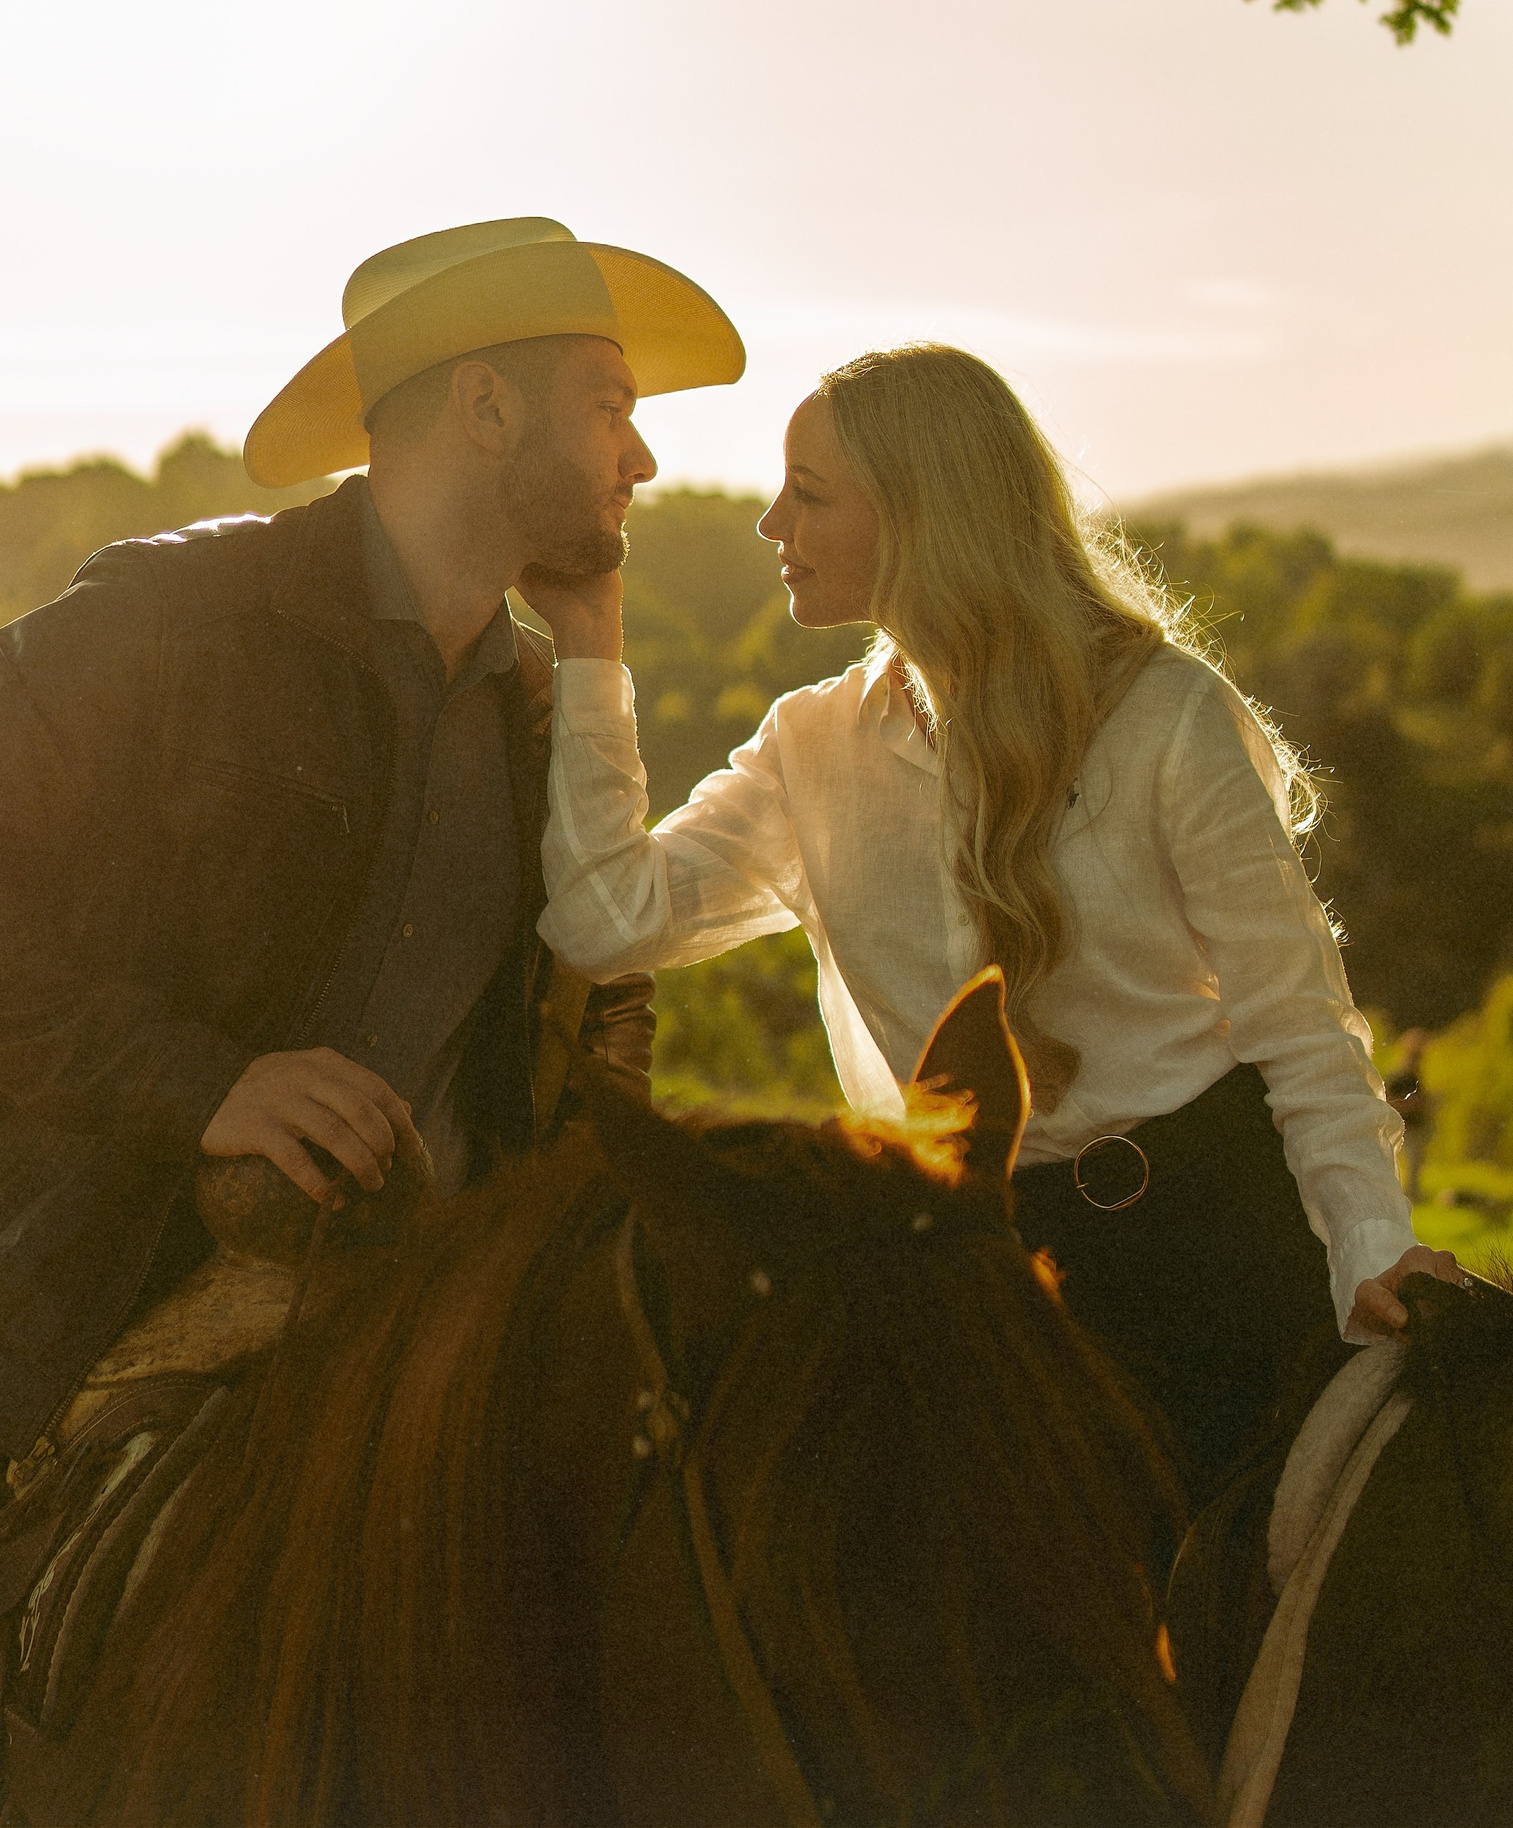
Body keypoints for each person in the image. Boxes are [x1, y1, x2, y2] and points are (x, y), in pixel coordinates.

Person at [0, 216, 741, 1750]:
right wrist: (204, 1086)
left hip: (411, 1352)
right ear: (488, 407)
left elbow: (605, 1003)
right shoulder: (175, 616)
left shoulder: (545, 706)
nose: (640, 459)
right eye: (609, 407)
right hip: (26, 1307)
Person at [530, 342, 1460, 1506]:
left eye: (809, 494)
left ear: (925, 517)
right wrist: (589, 646)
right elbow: (605, 922)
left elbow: (1301, 1026)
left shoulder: (1168, 716)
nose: (772, 524)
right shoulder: (809, 747)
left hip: (1210, 1251)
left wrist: (1371, 1248)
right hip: (967, 1282)